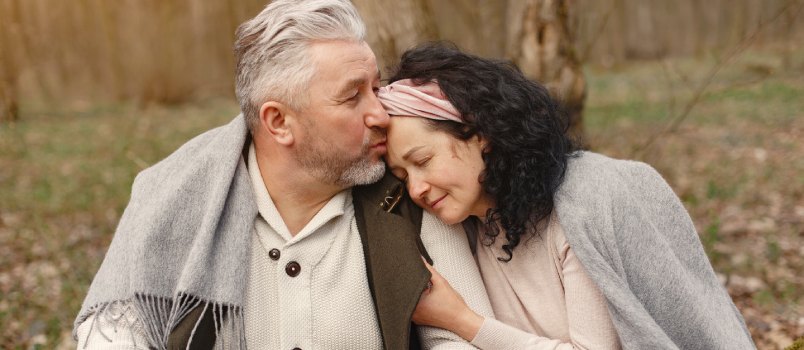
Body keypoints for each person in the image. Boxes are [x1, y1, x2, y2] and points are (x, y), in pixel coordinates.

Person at [73, 2, 494, 349]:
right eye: (352, 96)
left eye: (375, 87)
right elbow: (111, 336)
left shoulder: (413, 192)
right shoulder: (173, 195)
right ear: (279, 122)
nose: (381, 114)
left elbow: (460, 339)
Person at [378, 43, 756, 349]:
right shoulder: (464, 231)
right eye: (402, 176)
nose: (416, 188)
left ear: (480, 134)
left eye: (422, 161)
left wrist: (461, 320)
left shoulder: (580, 207)